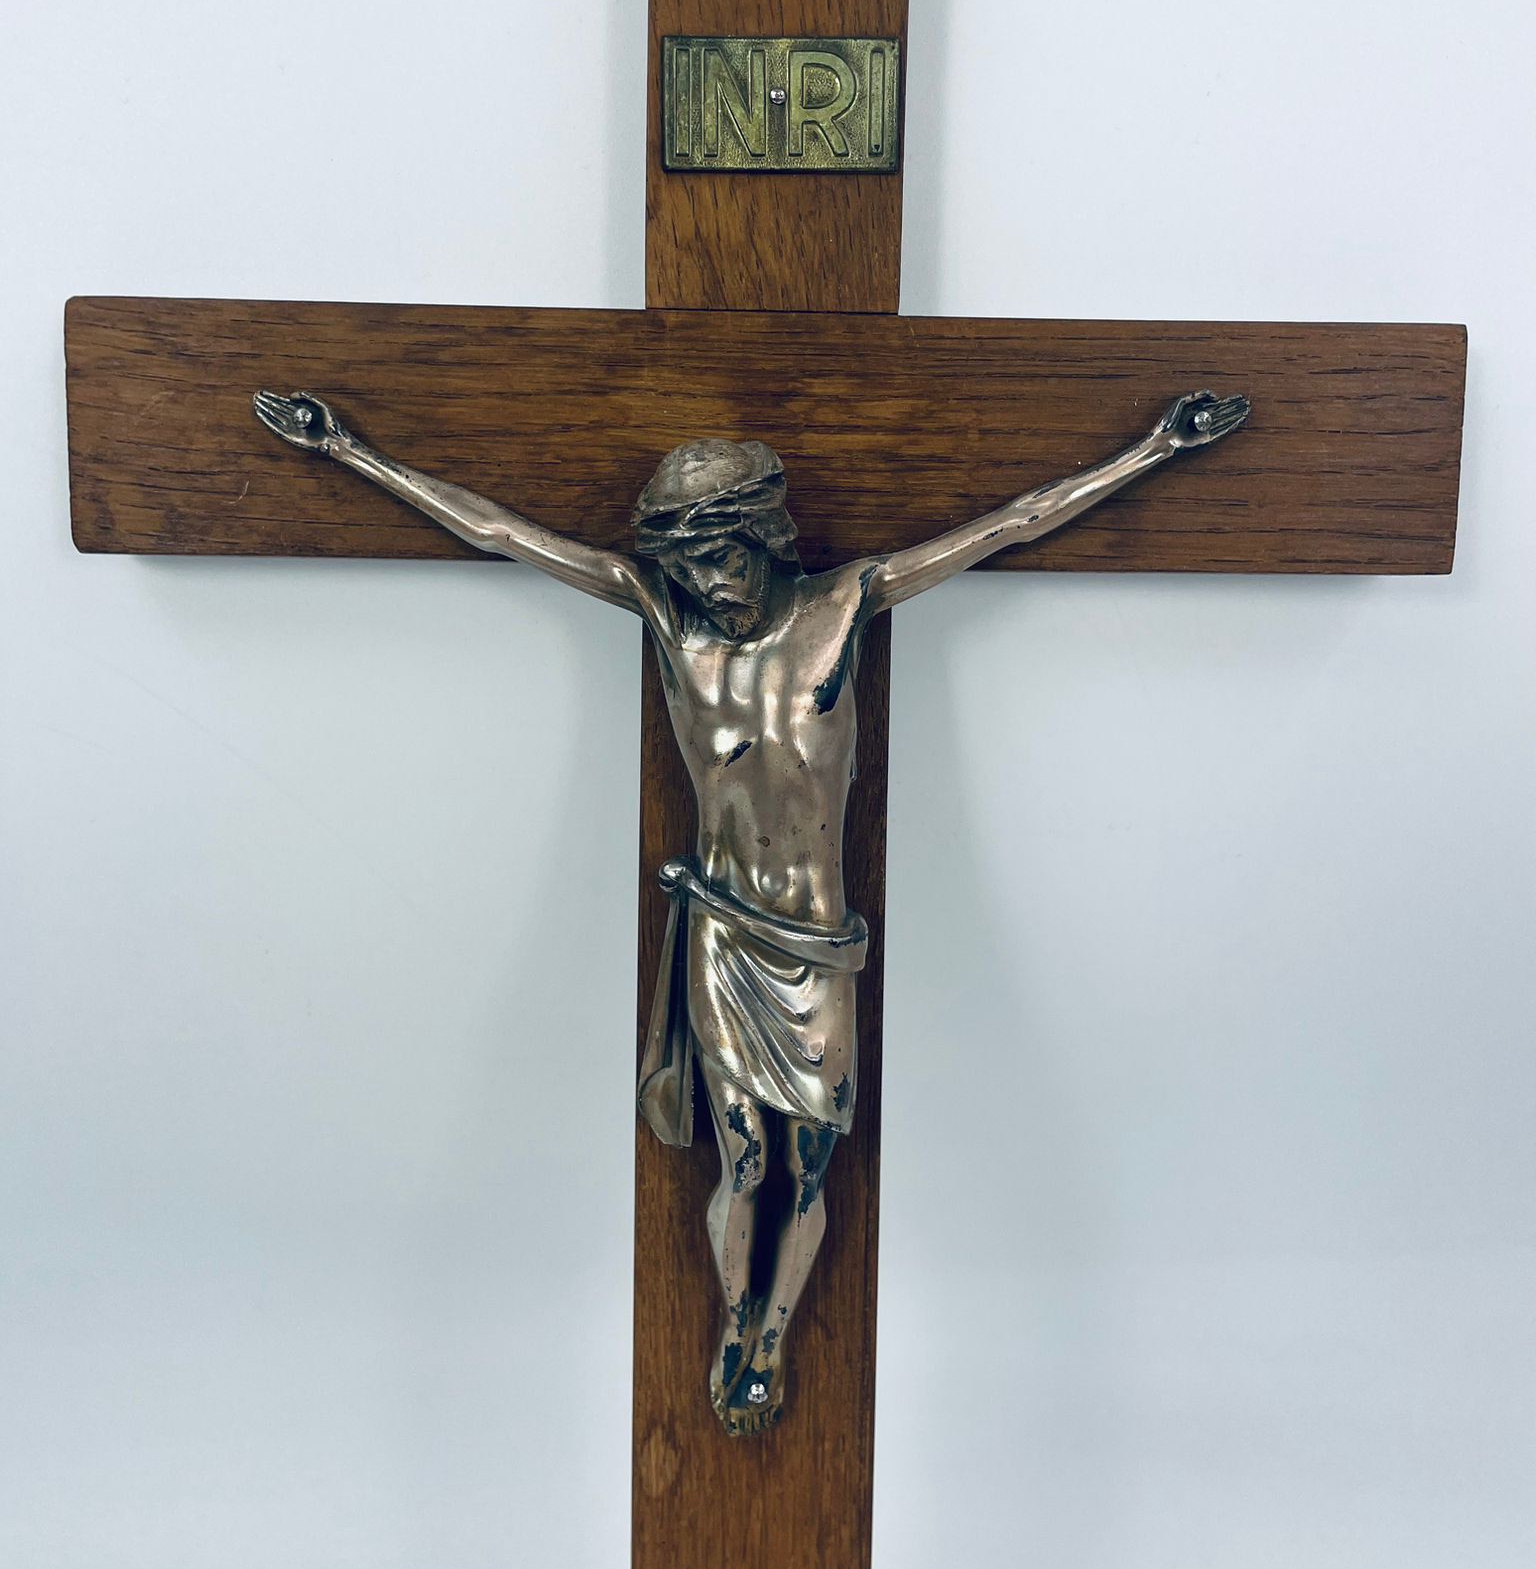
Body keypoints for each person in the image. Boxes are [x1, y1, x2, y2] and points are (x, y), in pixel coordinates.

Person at [254, 384, 1248, 1432]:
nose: (708, 583)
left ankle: (777, 1329)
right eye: (687, 567)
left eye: (722, 558)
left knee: (809, 1163)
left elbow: (1012, 524)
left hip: (818, 943)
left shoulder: (846, 603)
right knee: (745, 1153)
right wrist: (351, 452)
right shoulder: (669, 624)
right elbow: (504, 532)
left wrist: (1153, 448)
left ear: (765, 537)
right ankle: (741, 1328)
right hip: (723, 932)